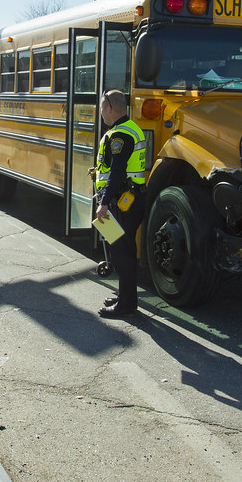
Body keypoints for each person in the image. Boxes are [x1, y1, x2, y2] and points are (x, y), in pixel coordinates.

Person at [93, 89, 147, 319]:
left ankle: (126, 305)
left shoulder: (120, 136)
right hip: (129, 200)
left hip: (122, 203)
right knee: (125, 251)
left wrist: (104, 203)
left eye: (101, 108)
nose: (100, 112)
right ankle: (125, 296)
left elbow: (117, 172)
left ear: (109, 108)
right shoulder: (129, 128)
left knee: (122, 253)